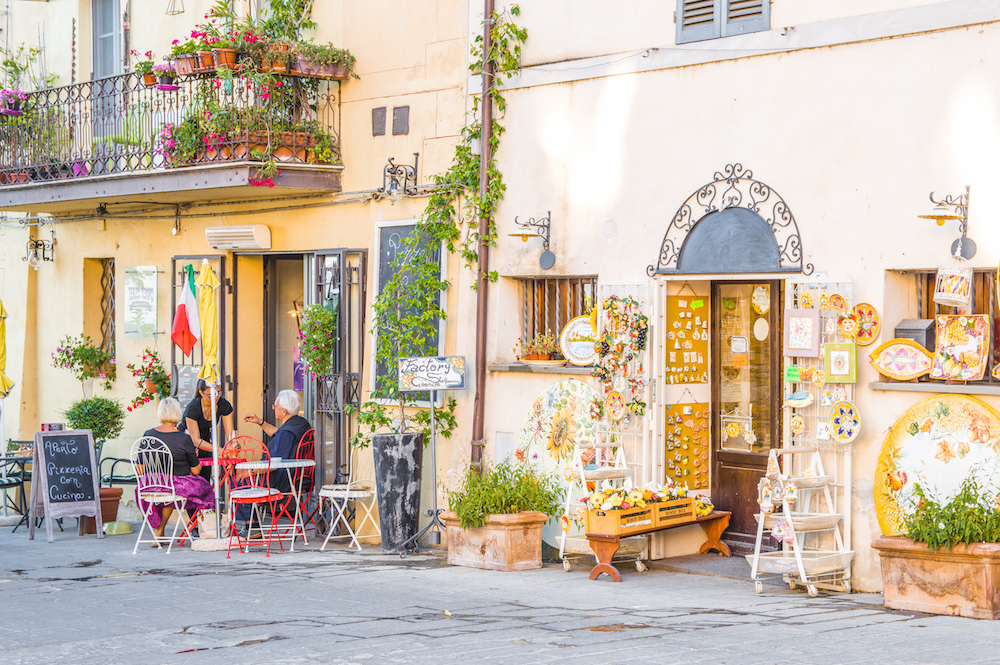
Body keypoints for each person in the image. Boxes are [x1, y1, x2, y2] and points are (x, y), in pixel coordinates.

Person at [136, 397, 215, 544]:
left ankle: (159, 533)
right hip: (176, 485)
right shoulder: (183, 438)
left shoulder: (148, 435)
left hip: (150, 484)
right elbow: (196, 471)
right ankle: (204, 528)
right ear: (178, 413)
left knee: (168, 493)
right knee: (206, 489)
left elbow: (140, 468)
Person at [243, 389, 311, 494]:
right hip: (302, 477)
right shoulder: (301, 423)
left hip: (283, 481)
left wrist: (251, 472)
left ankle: (256, 510)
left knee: (240, 482)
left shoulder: (286, 433)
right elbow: (279, 433)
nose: (274, 408)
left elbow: (273, 465)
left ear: (284, 411)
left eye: (276, 406)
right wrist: (260, 422)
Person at [182, 379, 235, 481]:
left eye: (218, 392)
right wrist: (218, 449)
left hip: (206, 443)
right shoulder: (193, 408)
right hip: (188, 443)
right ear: (201, 393)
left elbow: (230, 435)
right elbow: (195, 440)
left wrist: (232, 446)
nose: (216, 397)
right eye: (211, 394)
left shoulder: (223, 405)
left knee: (205, 480)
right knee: (191, 480)